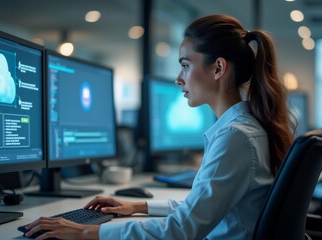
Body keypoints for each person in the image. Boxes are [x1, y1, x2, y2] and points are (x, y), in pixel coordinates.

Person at [24, 14, 295, 240]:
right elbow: (202, 208)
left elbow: (182, 230)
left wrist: (85, 232)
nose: (179, 78)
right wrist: (139, 206)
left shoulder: (236, 137)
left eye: (186, 66)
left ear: (218, 68)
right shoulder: (245, 129)